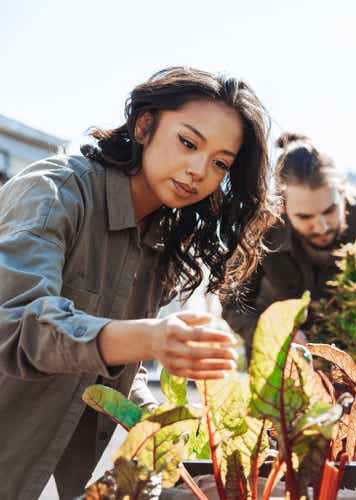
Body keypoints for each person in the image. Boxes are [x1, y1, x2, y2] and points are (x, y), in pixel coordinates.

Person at [0, 66, 276, 500]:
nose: (198, 170)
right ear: (145, 125)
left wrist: (179, 462)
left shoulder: (161, 241)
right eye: (188, 143)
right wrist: (151, 338)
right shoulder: (53, 192)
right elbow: (14, 327)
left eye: (220, 162)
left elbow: (117, 378)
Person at [222, 132, 356, 351]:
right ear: (282, 206)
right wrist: (274, 335)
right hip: (276, 360)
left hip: (353, 359)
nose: (322, 227)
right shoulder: (259, 227)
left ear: (343, 189)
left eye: (330, 210)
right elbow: (232, 302)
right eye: (305, 217)